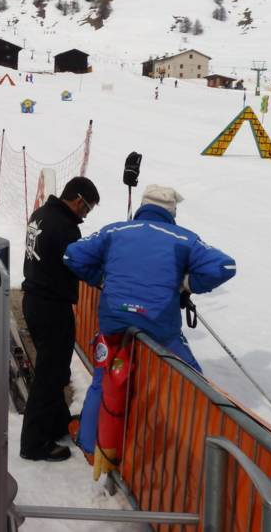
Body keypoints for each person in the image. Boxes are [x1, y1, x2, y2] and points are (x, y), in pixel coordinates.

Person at [64, 185, 236, 477]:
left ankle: (91, 444)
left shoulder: (116, 231)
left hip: (114, 320)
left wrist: (102, 279)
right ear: (172, 211)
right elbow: (224, 266)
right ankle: (202, 456)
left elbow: (72, 256)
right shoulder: (183, 238)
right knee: (192, 381)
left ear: (143, 206)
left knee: (102, 379)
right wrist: (187, 284)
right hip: (158, 325)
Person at [20, 176, 101, 462]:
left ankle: (56, 422)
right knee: (48, 375)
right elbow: (80, 266)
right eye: (87, 209)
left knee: (54, 369)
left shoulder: (41, 213)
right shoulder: (65, 227)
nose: (85, 215)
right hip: (51, 306)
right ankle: (33, 443)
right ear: (78, 201)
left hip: (35, 300)